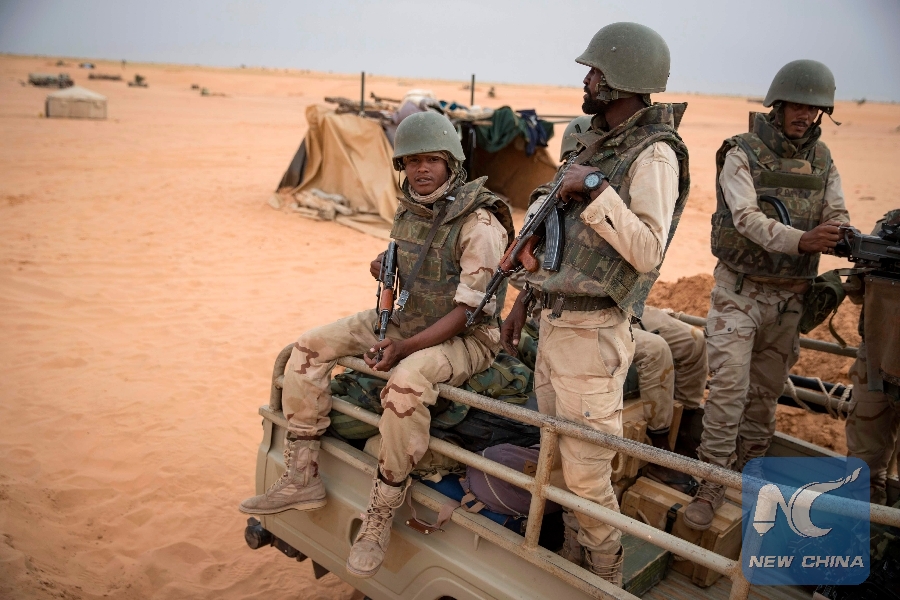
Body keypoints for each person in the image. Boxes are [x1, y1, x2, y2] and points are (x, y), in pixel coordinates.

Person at [239, 111, 512, 578]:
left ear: (451, 163)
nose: (421, 170)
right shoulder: (410, 207)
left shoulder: (480, 223)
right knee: (307, 348)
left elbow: (468, 312)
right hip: (410, 318)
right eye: (412, 161)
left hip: (467, 336)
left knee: (406, 386)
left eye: (431, 160)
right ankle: (302, 476)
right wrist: (386, 264)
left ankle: (381, 513)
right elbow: (414, 261)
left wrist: (403, 349)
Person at [501, 22, 690, 585]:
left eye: (595, 72)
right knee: (558, 462)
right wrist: (523, 300)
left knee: (587, 478)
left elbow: (648, 251)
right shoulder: (595, 142)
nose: (585, 81)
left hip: (594, 335)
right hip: (557, 325)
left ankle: (605, 577)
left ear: (621, 79)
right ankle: (573, 562)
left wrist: (595, 189)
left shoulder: (653, 155)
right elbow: (565, 248)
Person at [684, 60, 851, 531]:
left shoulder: (823, 159)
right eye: (797, 105)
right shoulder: (741, 153)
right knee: (729, 392)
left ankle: (749, 473)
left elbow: (836, 211)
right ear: (777, 105)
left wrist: (841, 233)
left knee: (764, 397)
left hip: (790, 300)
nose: (805, 115)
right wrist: (803, 240)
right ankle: (711, 482)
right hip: (739, 294)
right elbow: (746, 219)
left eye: (814, 109)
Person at [844, 209, 900, 505]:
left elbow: (856, 290)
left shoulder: (891, 224)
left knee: (863, 471)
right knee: (862, 470)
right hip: (876, 361)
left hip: (876, 360)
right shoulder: (891, 224)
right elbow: (857, 288)